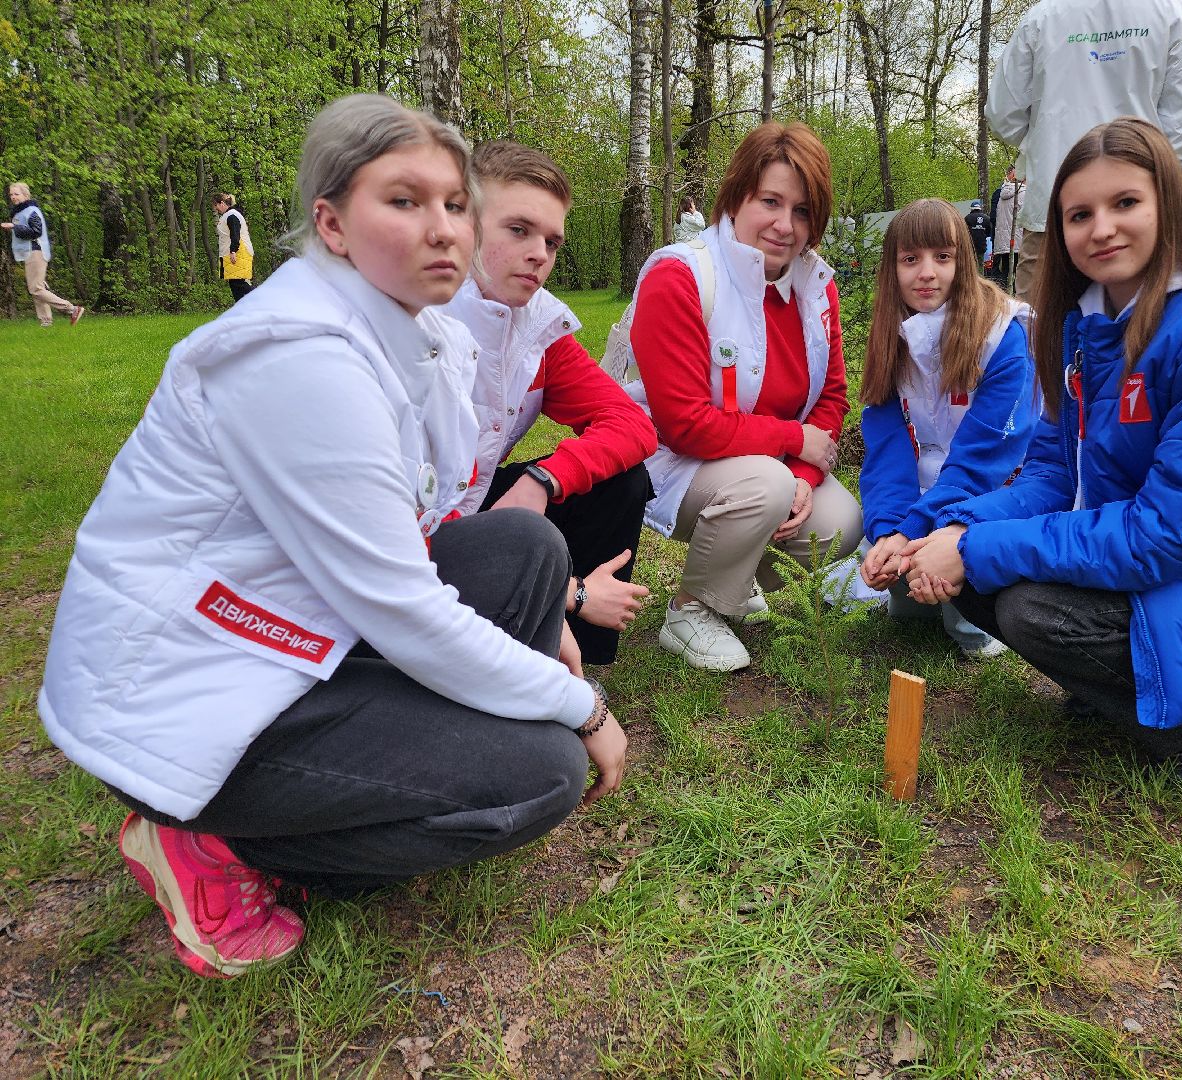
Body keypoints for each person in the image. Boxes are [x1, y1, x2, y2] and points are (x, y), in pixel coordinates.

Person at [38, 94, 626, 979]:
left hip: (285, 639)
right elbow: (403, 607)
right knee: (545, 772)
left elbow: (433, 528)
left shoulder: (417, 337)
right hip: (188, 688)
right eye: (403, 200)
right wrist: (579, 703)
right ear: (332, 224)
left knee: (527, 551)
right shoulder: (299, 357)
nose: (443, 229)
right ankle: (218, 847)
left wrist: (543, 632)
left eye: (455, 204)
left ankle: (360, 773)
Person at [900, 118, 1182, 790]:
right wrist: (937, 531)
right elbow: (1055, 475)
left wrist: (973, 548)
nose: (1102, 229)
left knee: (1030, 607)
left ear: (1168, 204)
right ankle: (1144, 694)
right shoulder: (1084, 326)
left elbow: (1162, 537)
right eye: (1079, 214)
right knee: (981, 575)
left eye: (1125, 204)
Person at [626, 122, 861, 671]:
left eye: (802, 211)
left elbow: (832, 396)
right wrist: (792, 443)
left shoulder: (814, 285)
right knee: (768, 482)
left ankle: (735, 578)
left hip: (771, 469)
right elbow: (684, 424)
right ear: (735, 199)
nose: (785, 226)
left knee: (841, 524)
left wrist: (805, 479)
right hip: (672, 461)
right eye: (770, 202)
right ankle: (692, 611)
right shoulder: (681, 276)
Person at [437, 141, 657, 665]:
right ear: (462, 222)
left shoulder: (536, 331)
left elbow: (632, 426)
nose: (540, 253)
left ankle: (578, 659)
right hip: (406, 530)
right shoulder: (422, 319)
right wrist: (572, 594)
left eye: (552, 241)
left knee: (622, 478)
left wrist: (544, 480)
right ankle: (547, 621)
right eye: (519, 230)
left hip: (472, 502)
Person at [856, 199, 1035, 657]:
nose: (927, 273)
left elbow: (983, 463)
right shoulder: (890, 339)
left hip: (998, 493)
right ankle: (922, 585)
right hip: (929, 496)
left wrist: (916, 531)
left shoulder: (1002, 335)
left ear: (964, 261)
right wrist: (888, 532)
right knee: (900, 582)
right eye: (910, 259)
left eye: (943, 257)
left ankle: (979, 607)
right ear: (892, 269)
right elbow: (886, 459)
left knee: (971, 627)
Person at [987, 0, 1182, 304]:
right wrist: (1178, 215)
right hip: (1140, 219)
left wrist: (1046, 142)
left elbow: (1002, 114)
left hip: (1054, 211)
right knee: (1140, 339)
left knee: (1041, 339)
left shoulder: (1042, 16)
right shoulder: (1175, 13)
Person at [4, 182, 84, 326]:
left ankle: (72, 309)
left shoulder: (31, 210)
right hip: (30, 252)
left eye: (16, 194)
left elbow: (36, 231)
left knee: (35, 289)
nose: (13, 197)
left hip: (36, 251)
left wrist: (14, 227)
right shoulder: (20, 212)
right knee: (38, 287)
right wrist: (15, 227)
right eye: (11, 194)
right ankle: (46, 321)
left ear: (25, 195)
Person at [212, 194, 255, 304]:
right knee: (235, 284)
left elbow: (235, 234)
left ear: (222, 203)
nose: (216, 209)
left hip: (238, 253)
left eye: (216, 205)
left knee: (239, 283)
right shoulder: (229, 215)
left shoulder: (232, 215)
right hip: (233, 253)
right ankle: (242, 310)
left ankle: (262, 299)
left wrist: (233, 251)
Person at [991, 173, 1025, 289]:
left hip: (1004, 241)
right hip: (1020, 241)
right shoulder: (1024, 193)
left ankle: (1006, 297)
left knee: (1006, 271)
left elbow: (994, 217)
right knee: (1021, 273)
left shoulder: (1001, 195)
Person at [963, 199, 991, 269]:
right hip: (981, 246)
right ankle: (980, 278)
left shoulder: (967, 218)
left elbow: (963, 232)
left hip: (970, 246)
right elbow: (989, 233)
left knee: (970, 265)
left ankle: (970, 279)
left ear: (971, 209)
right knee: (980, 265)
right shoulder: (987, 219)